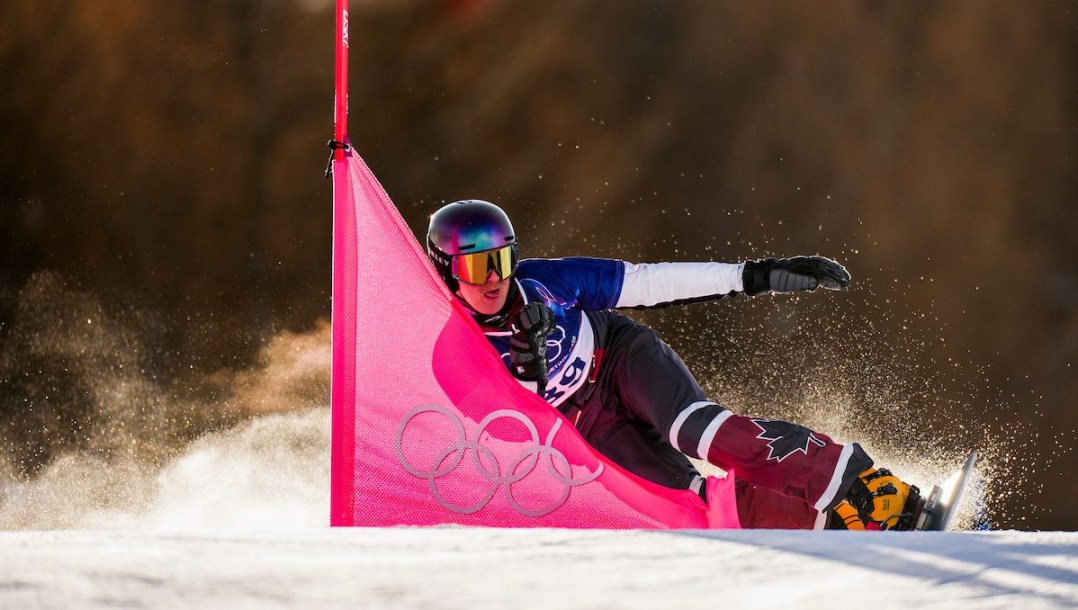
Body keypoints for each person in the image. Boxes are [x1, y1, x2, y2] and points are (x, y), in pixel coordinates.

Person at [426, 199, 920, 530]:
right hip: (586, 430)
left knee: (699, 431)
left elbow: (648, 283)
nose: (494, 279)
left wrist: (755, 276)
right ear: (448, 272)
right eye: (476, 266)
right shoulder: (455, 356)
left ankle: (862, 483)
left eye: (503, 259)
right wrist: (526, 380)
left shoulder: (545, 283)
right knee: (692, 505)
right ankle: (834, 520)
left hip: (620, 360)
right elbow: (512, 435)